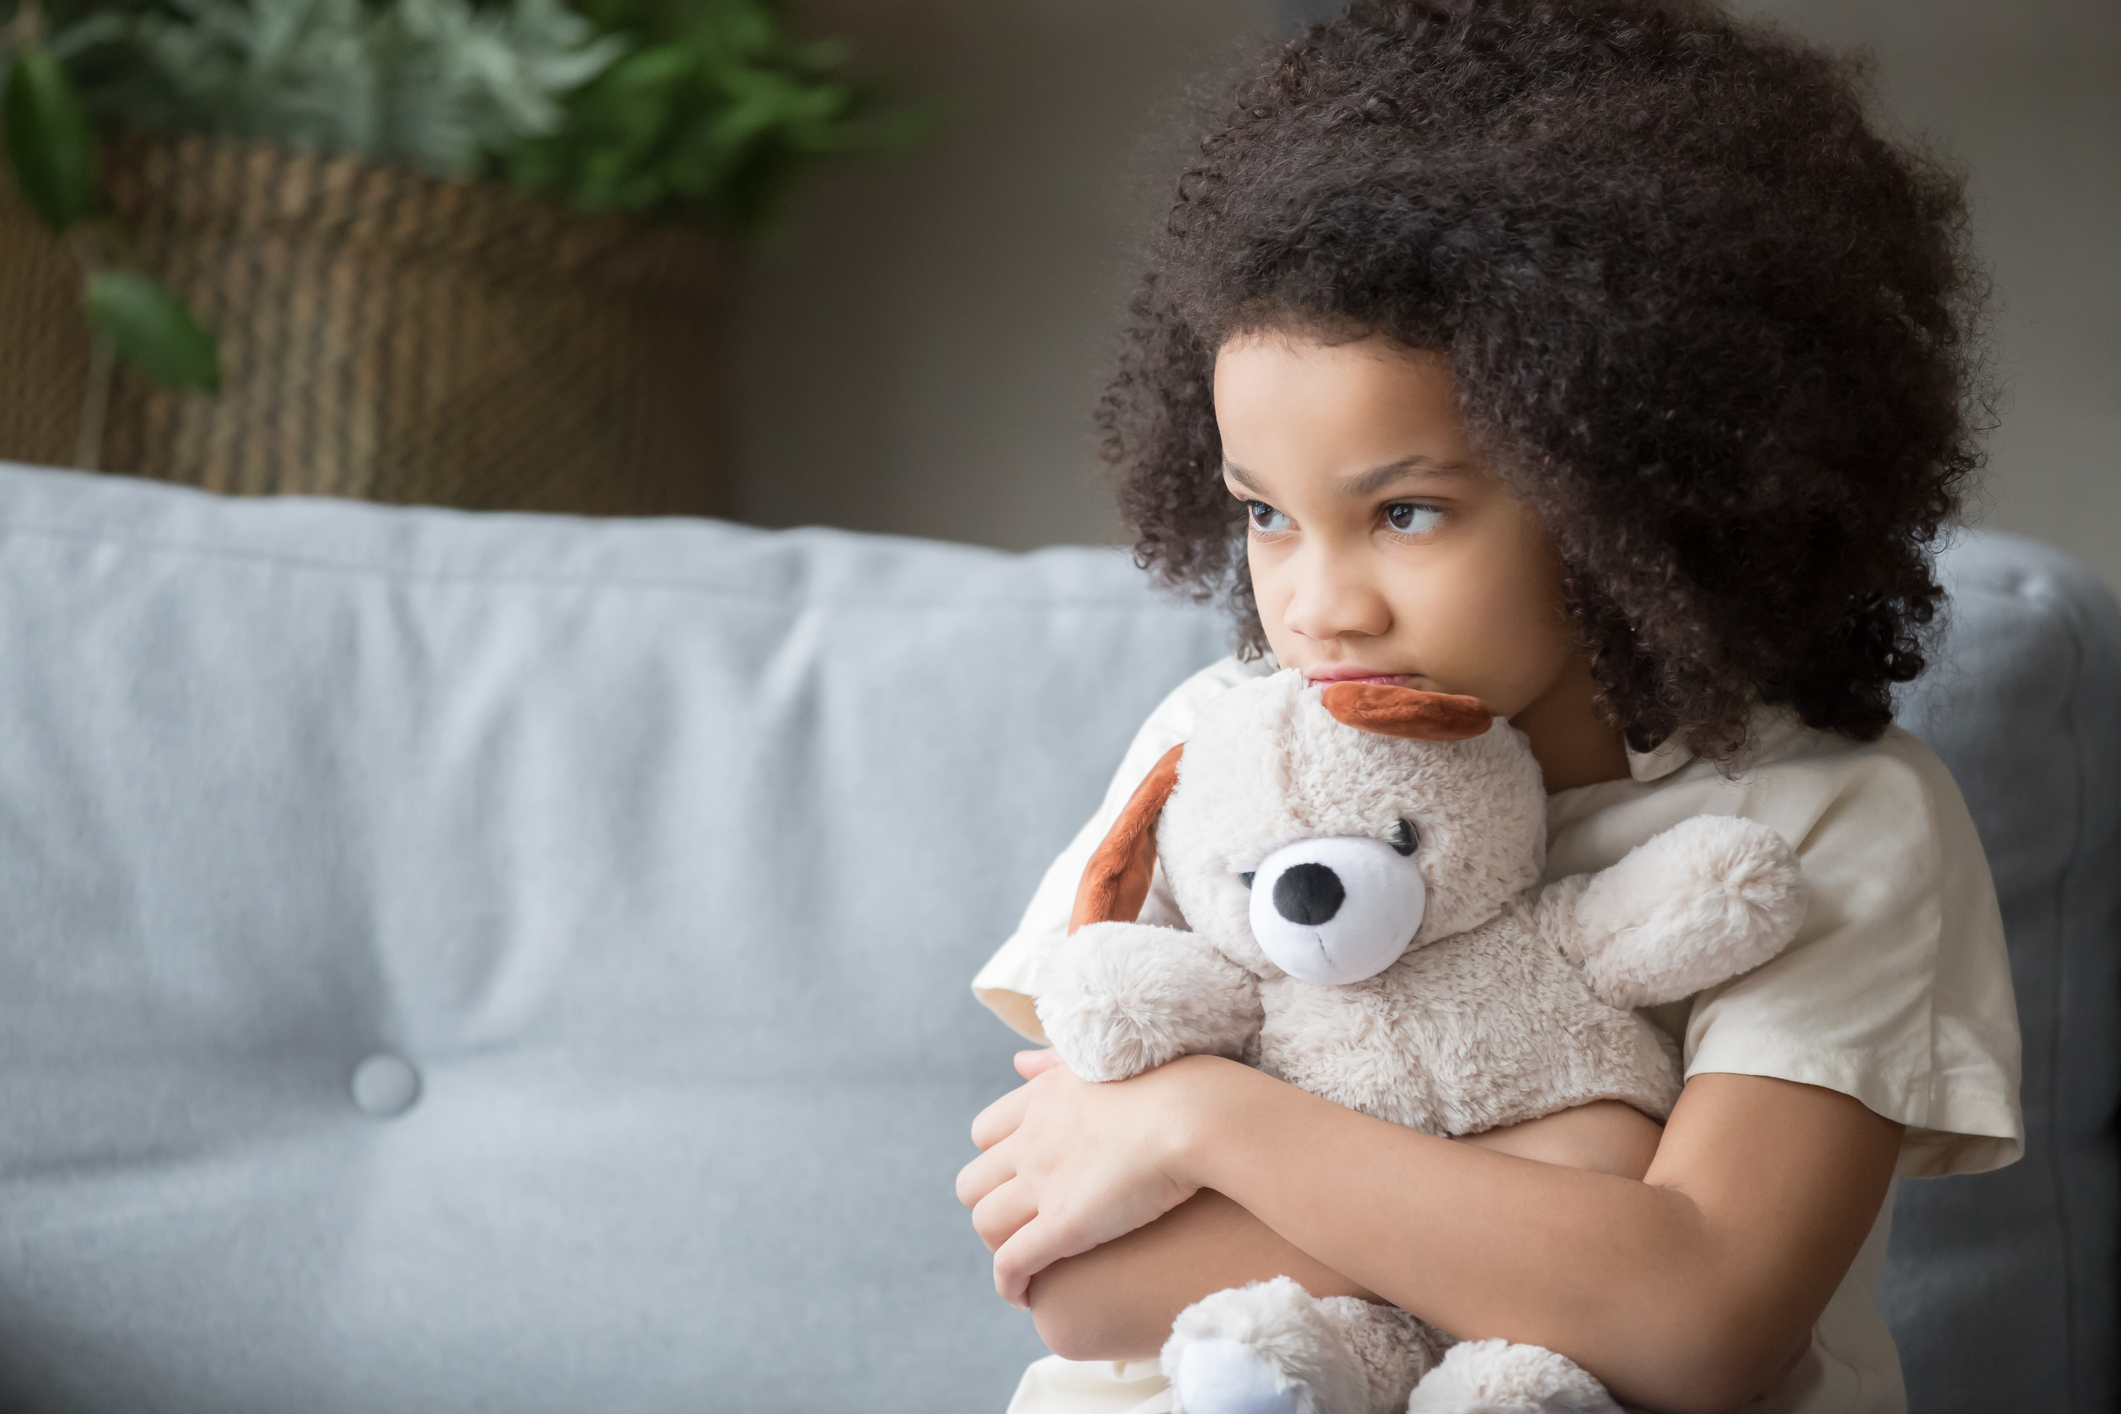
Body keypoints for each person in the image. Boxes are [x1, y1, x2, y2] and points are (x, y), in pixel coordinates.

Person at [954, 2, 2022, 1412]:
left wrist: (1200, 1121)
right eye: (1265, 516)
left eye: (1404, 511)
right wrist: (1575, 1212)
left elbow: (1695, 1324)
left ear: (1635, 486)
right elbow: (1075, 1284)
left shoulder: (1827, 820)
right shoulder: (1218, 749)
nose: (1319, 607)